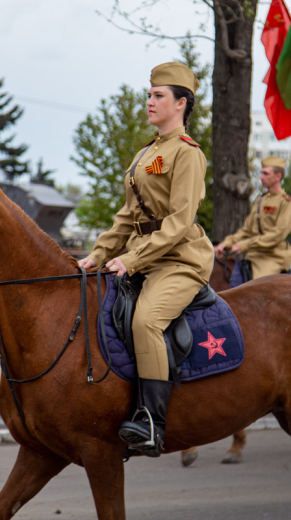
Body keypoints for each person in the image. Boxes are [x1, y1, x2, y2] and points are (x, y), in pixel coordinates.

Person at [77, 62, 213, 457]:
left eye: (158, 95)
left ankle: (151, 422)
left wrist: (132, 260)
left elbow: (179, 222)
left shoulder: (187, 154)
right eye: (149, 94)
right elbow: (126, 217)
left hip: (180, 260)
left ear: (181, 103)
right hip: (145, 257)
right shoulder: (146, 154)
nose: (149, 101)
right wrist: (98, 254)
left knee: (146, 320)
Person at [214, 156, 291, 280]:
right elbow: (246, 230)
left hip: (272, 257)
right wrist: (226, 244)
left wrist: (245, 245)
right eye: (261, 173)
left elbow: (277, 235)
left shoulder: (285, 202)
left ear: (278, 176)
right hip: (254, 255)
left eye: (265, 174)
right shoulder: (260, 199)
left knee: (259, 287)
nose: (260, 177)